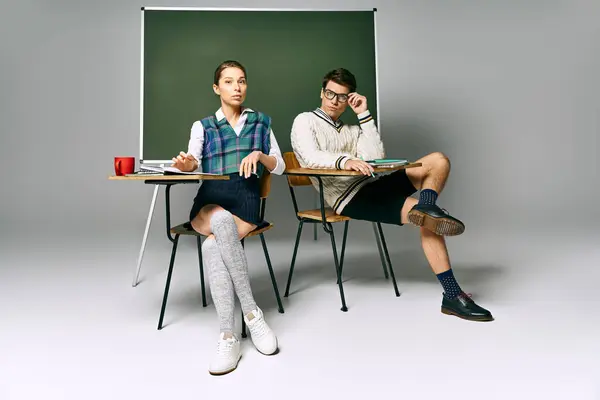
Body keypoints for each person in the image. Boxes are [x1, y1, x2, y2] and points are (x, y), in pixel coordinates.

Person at [290, 67, 493, 322]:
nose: (335, 101)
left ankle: (426, 207)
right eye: (330, 94)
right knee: (429, 222)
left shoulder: (352, 130)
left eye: (342, 97)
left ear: (349, 99)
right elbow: (310, 157)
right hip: (348, 199)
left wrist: (363, 114)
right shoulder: (304, 120)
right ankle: (452, 295)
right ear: (322, 92)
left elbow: (376, 157)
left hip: (371, 186)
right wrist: (345, 161)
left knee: (438, 161)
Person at [170, 60, 285, 375]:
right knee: (219, 221)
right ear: (216, 88)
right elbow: (193, 160)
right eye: (230, 82)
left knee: (211, 247)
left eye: (242, 81)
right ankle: (251, 313)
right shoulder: (203, 125)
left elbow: (280, 166)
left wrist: (260, 156)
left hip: (246, 204)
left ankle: (228, 335)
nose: (237, 87)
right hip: (209, 205)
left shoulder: (260, 123)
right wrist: (186, 165)